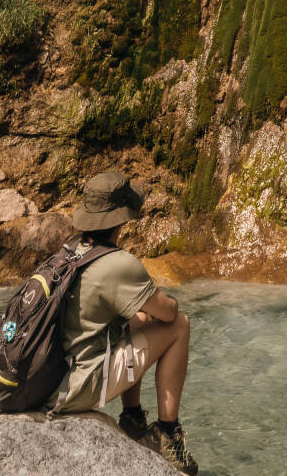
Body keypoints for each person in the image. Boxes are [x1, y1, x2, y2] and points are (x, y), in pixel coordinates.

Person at [48, 170, 198, 475]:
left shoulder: (68, 252)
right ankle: (168, 435)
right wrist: (165, 301)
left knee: (135, 319)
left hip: (50, 377)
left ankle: (132, 420)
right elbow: (168, 314)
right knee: (179, 325)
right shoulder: (118, 264)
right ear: (120, 219)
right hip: (78, 387)